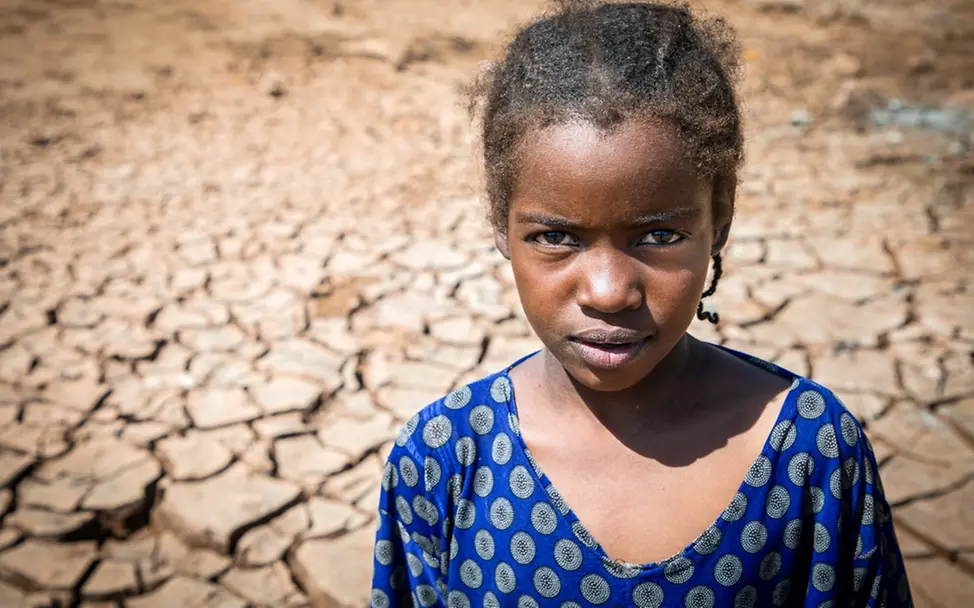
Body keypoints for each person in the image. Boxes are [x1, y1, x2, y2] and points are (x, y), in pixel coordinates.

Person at [369, 1, 913, 606]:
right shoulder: (446, 458)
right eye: (555, 237)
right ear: (501, 222)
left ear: (721, 217)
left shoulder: (810, 451)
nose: (607, 292)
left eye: (657, 236)